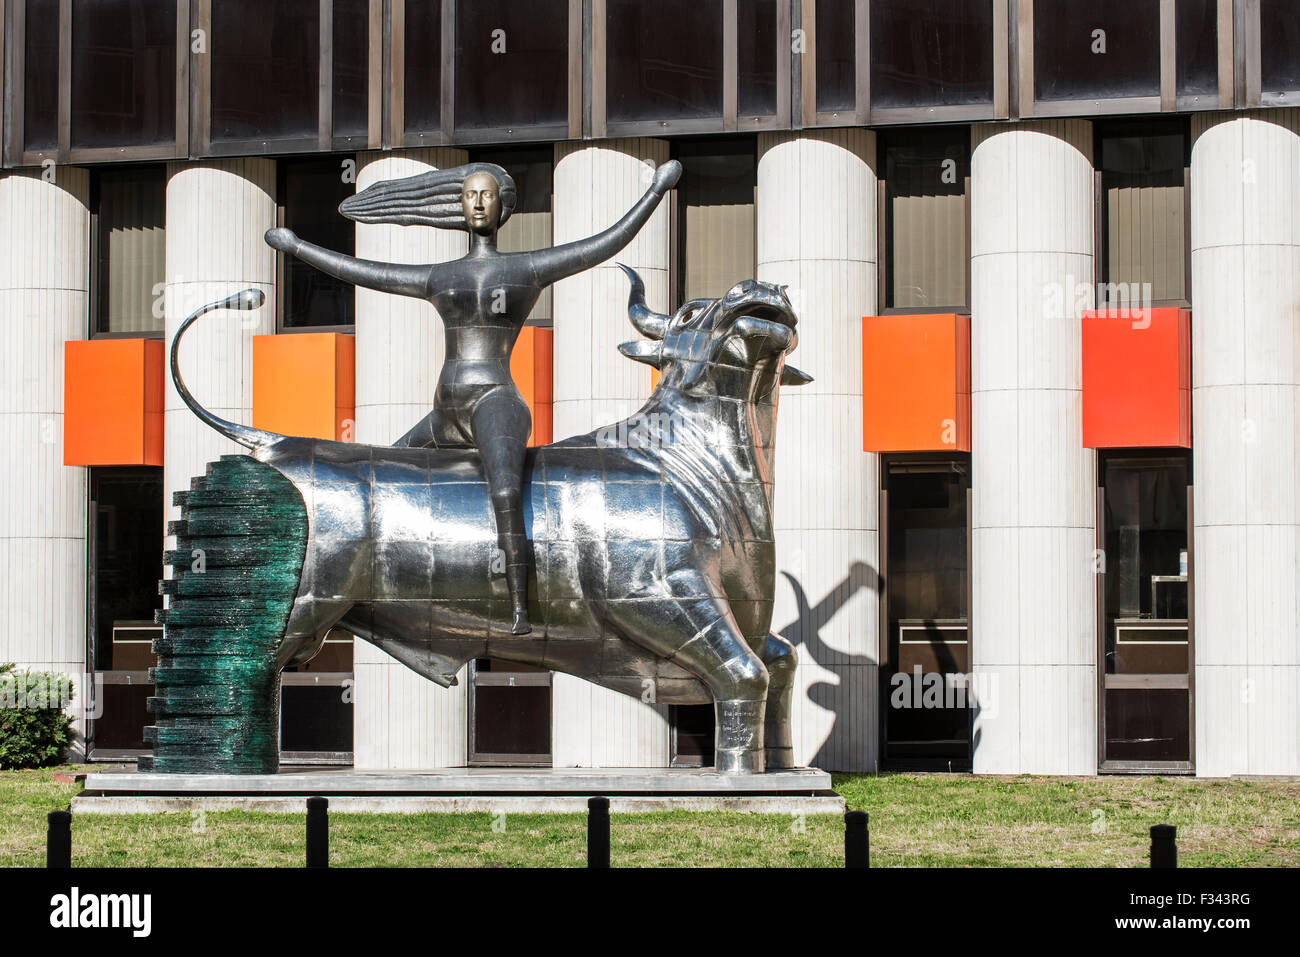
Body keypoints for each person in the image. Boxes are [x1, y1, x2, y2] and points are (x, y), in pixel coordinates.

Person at [265, 158, 682, 634]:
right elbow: (365, 271)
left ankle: (519, 607)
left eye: (486, 194)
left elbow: (603, 243)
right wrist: (298, 247)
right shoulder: (441, 276)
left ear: (503, 206)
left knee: (505, 489)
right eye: (469, 195)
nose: (478, 202)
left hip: (494, 402)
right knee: (377, 479)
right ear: (459, 206)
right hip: (446, 411)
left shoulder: (526, 268)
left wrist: (653, 193)